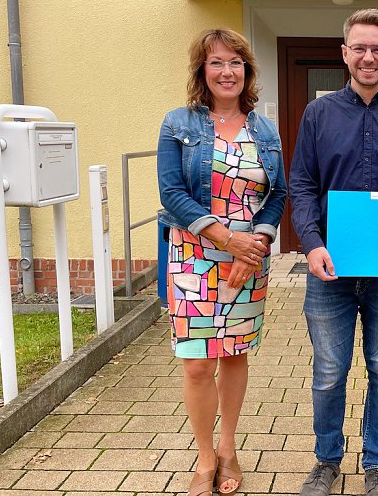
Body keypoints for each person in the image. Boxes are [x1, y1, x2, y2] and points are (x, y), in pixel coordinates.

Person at [289, 8, 378, 496]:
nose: (368, 57)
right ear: (345, 54)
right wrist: (310, 244)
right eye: (360, 47)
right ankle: (327, 461)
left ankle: (377, 465)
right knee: (329, 372)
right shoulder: (318, 114)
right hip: (328, 268)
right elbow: (302, 184)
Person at [157, 28, 287, 496]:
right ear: (202, 70)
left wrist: (257, 242)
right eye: (216, 62)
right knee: (196, 363)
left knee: (233, 354)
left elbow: (278, 195)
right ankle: (204, 456)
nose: (227, 71)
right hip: (194, 256)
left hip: (247, 262)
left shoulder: (264, 129)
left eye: (235, 62)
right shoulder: (178, 123)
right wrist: (227, 238)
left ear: (247, 70)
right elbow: (171, 192)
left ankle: (229, 448)